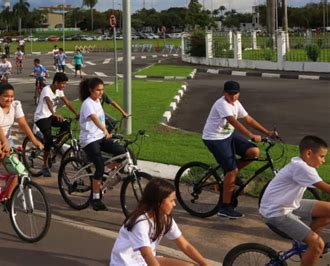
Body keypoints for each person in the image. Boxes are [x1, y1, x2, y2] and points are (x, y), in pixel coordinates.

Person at [202, 80, 276, 219]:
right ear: (224, 93)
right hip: (214, 138)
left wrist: (267, 132)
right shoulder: (222, 104)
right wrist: (251, 135)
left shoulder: (236, 103)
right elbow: (233, 121)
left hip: (227, 135)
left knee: (254, 152)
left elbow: (248, 119)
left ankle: (230, 176)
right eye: (230, 94)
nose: (233, 96)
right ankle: (224, 207)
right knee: (231, 170)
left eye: (236, 93)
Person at [260, 135, 330, 266]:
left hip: (288, 204)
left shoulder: (302, 164)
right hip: (276, 212)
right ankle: (312, 246)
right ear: (309, 153)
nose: (324, 160)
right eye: (322, 156)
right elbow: (326, 188)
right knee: (317, 244)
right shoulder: (301, 167)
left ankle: (305, 245)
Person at [111, 178, 210, 266]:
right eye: (171, 201)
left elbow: (185, 245)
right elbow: (147, 255)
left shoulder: (165, 218)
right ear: (159, 201)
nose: (174, 204)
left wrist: (205, 264)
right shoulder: (140, 223)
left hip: (143, 262)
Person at [0, 82, 44, 190]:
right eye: (6, 96)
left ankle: (7, 201)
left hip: (5, 139)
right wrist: (4, 142)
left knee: (16, 169)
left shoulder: (15, 105)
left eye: (12, 96)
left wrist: (34, 141)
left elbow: (23, 123)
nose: (9, 99)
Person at [79, 77, 126, 211]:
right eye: (98, 90)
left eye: (102, 90)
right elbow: (94, 118)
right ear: (90, 90)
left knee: (121, 151)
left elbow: (101, 117)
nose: (100, 93)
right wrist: (104, 129)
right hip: (89, 140)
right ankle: (95, 199)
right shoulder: (87, 103)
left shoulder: (98, 101)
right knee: (99, 167)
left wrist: (105, 131)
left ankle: (104, 174)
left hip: (100, 137)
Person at [34, 72, 79, 177]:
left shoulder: (59, 91)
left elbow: (67, 102)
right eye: (62, 83)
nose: (64, 86)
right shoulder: (46, 90)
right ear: (56, 82)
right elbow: (49, 101)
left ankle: (56, 144)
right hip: (42, 117)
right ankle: (44, 165)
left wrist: (77, 114)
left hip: (50, 116)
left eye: (65, 84)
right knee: (48, 140)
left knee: (66, 125)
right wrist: (54, 114)